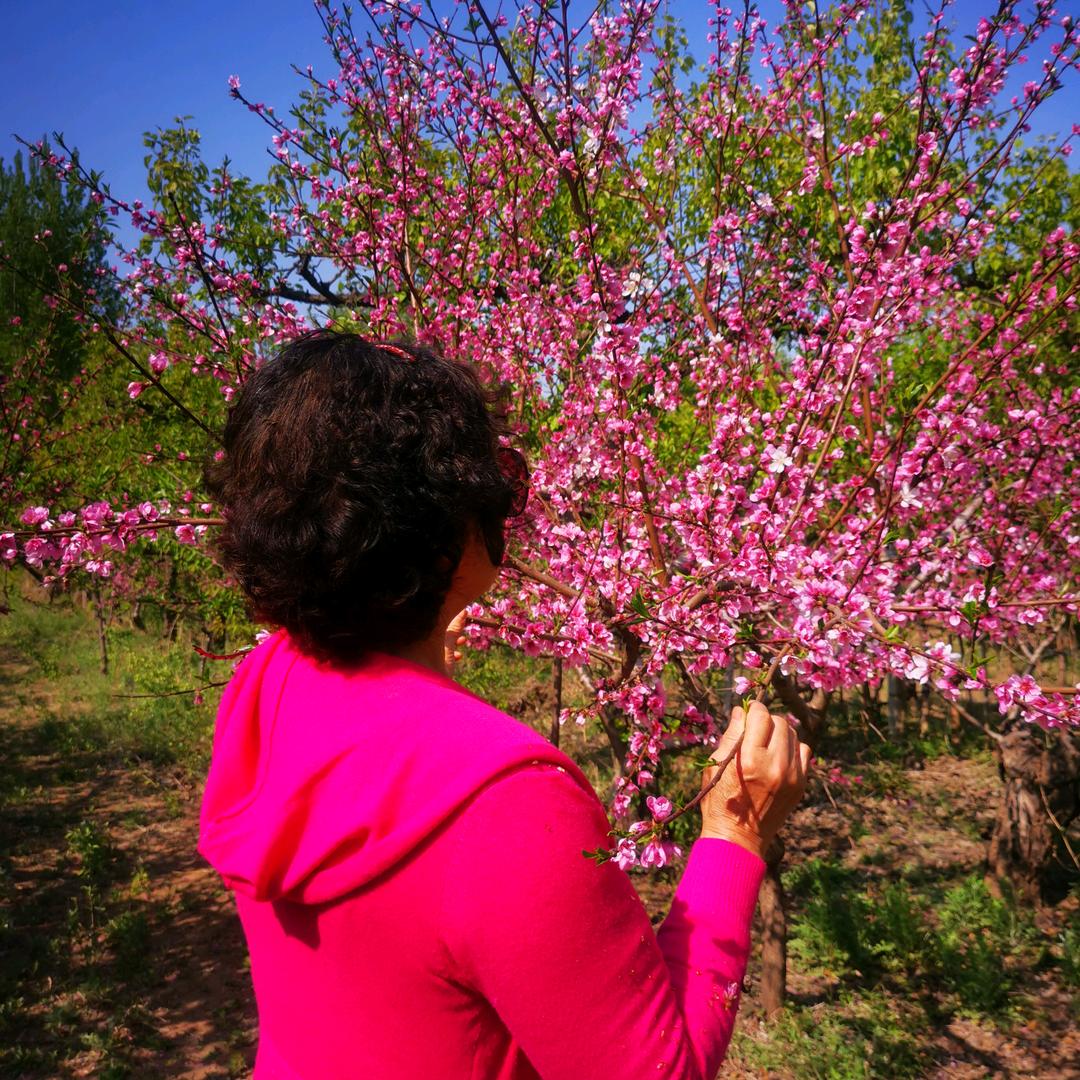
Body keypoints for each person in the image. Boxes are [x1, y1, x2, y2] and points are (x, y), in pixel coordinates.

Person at [198, 331, 812, 1079]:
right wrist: (735, 833)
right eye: (494, 479)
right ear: (449, 525)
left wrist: (426, 684)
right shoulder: (508, 802)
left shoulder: (265, 686)